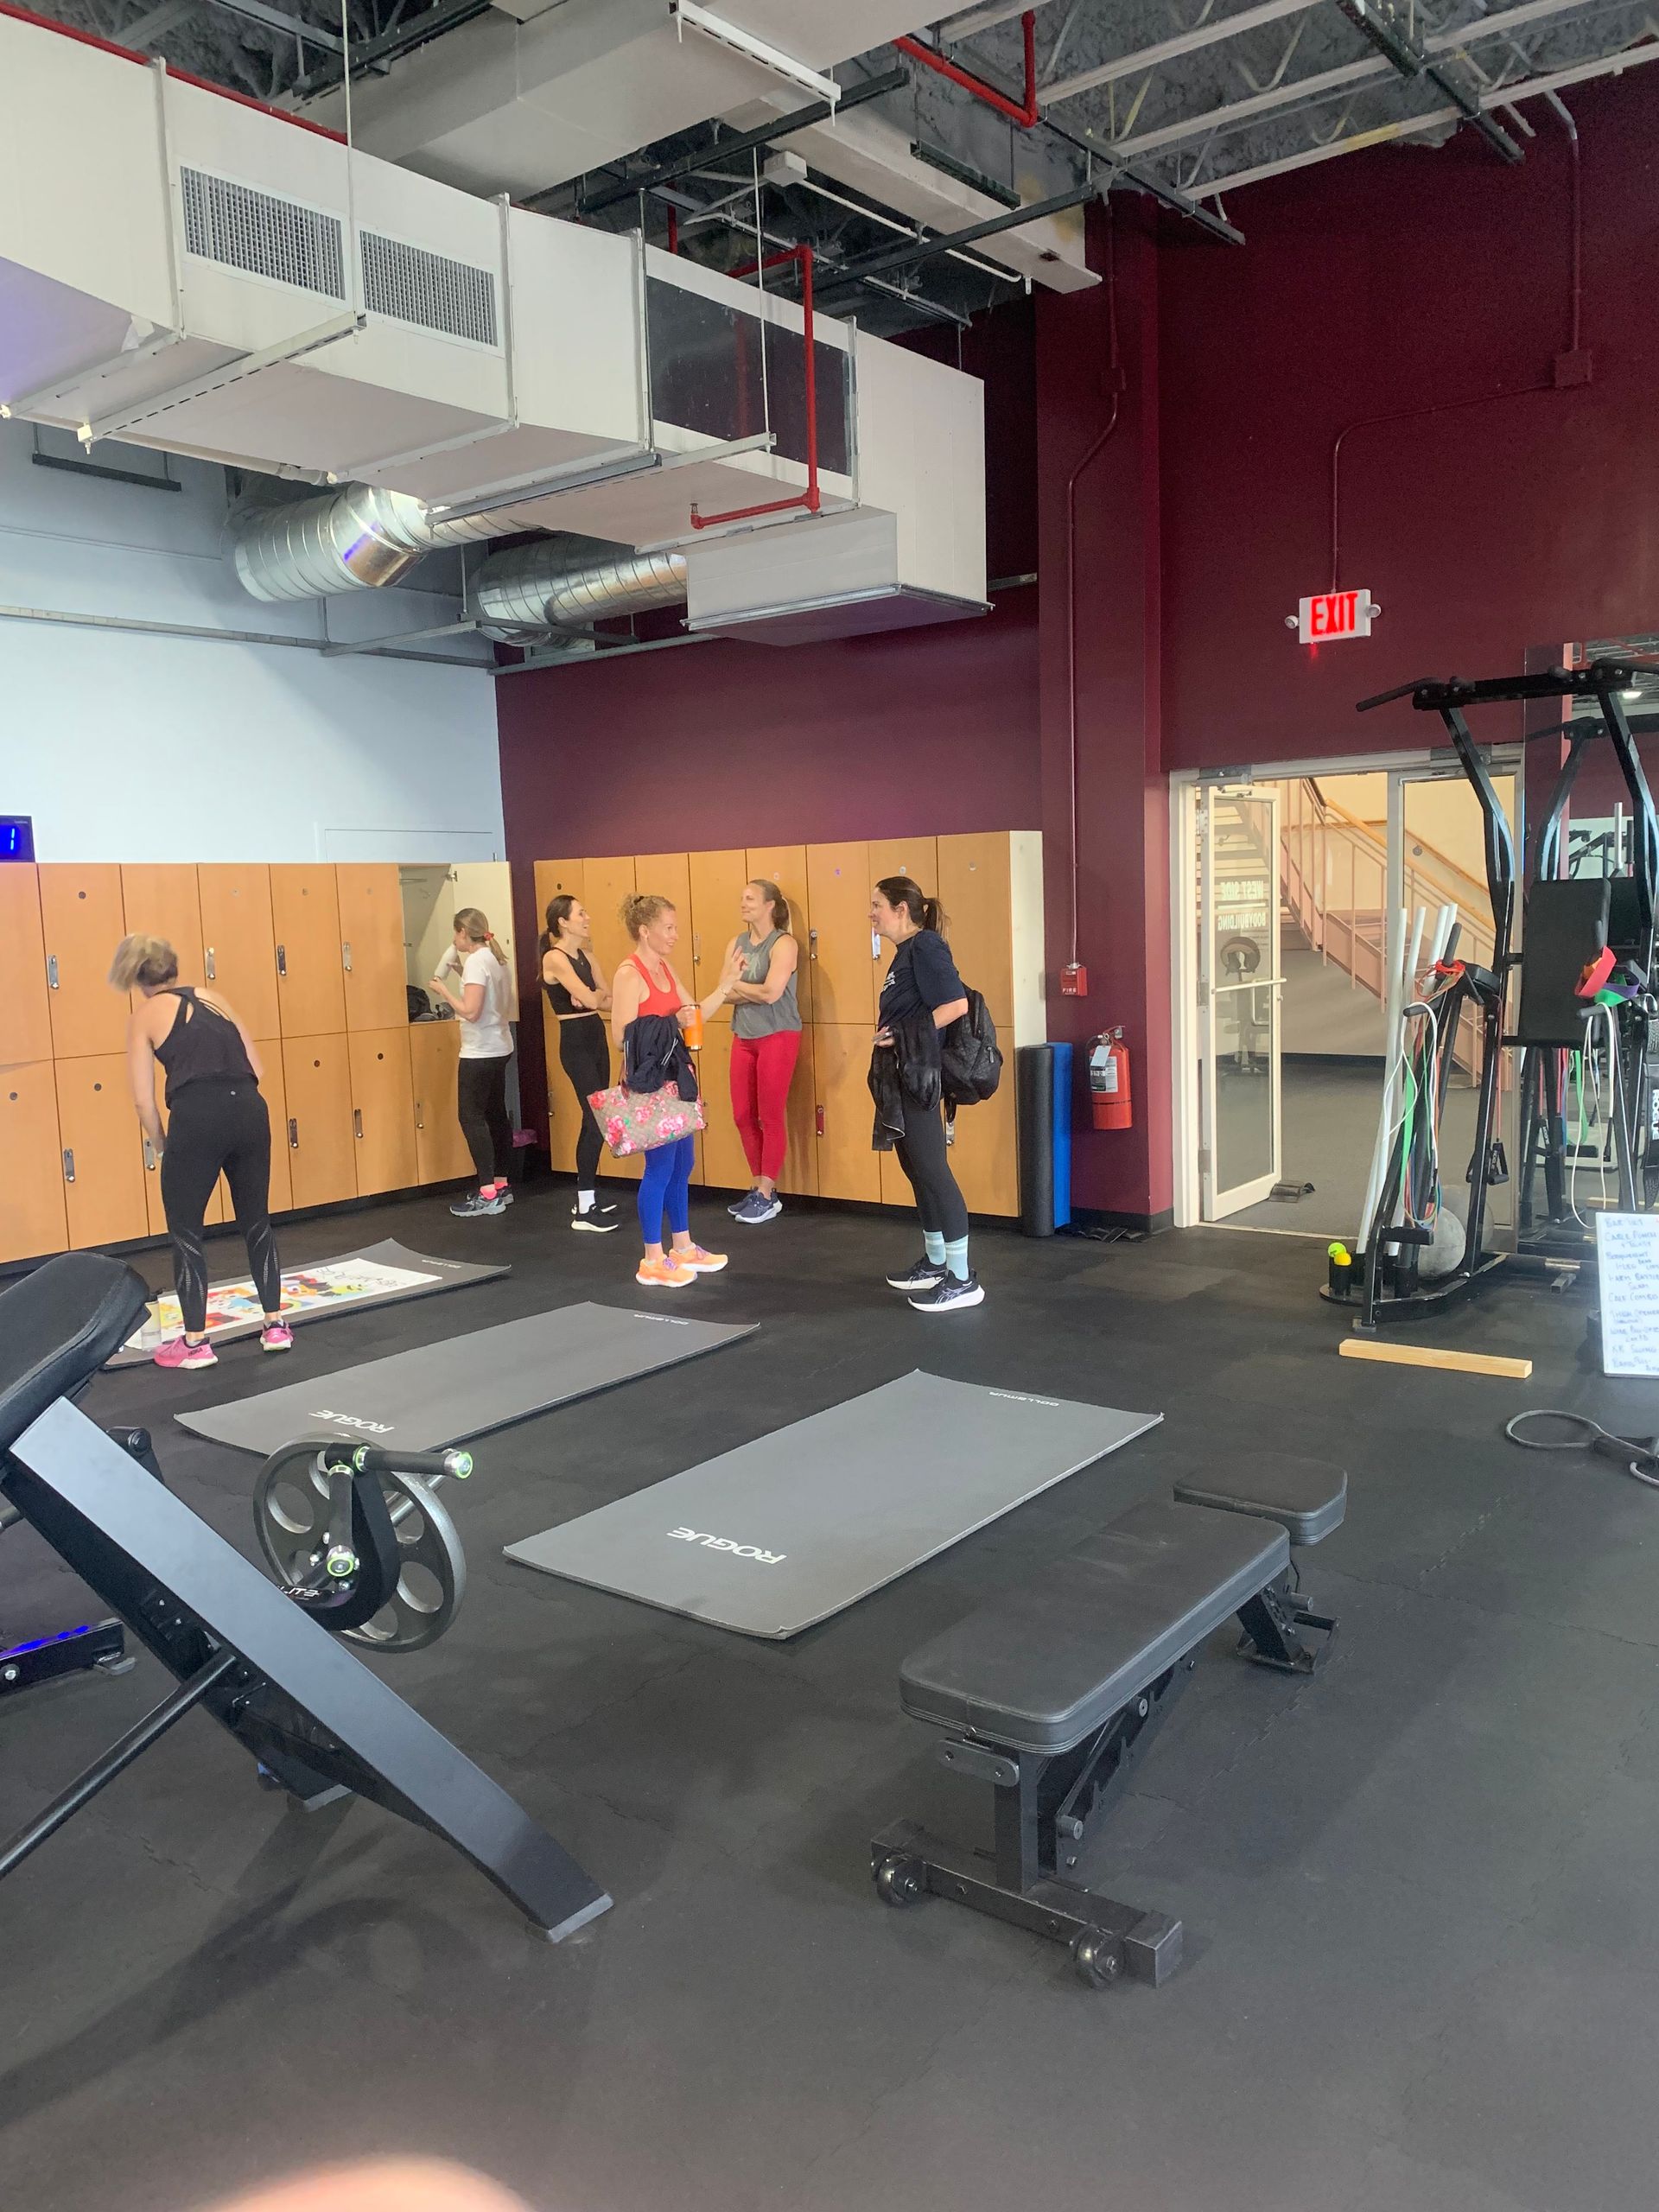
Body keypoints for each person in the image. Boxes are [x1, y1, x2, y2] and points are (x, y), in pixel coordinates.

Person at [111, 933, 292, 1370]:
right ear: (174, 969)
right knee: (256, 1220)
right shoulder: (214, 998)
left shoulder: (144, 1016)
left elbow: (142, 1099)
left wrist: (164, 1145)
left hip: (197, 1114)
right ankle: (274, 1325)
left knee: (187, 1230)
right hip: (249, 1109)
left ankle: (195, 1343)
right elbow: (258, 1067)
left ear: (137, 978)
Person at [610, 893, 740, 1288]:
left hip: (675, 1080)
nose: (675, 935)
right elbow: (621, 1038)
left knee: (683, 1165)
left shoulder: (665, 967)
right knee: (660, 1167)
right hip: (649, 1084)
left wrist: (726, 985)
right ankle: (652, 1257)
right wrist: (671, 1021)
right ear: (645, 931)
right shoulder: (629, 974)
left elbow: (693, 1014)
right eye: (668, 928)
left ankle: (682, 1246)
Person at [869, 876, 982, 1312]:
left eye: (876, 904)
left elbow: (955, 1006)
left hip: (920, 1076)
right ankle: (936, 1263)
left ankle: (961, 1278)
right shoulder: (904, 954)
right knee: (916, 1170)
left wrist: (901, 1034)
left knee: (934, 1172)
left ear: (901, 910)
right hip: (900, 1075)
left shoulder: (927, 947)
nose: (871, 913)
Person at [722, 878, 802, 1224]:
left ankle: (768, 1193)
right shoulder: (736, 943)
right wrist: (739, 988)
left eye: (751, 898)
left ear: (770, 905)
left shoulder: (784, 944)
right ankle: (757, 1188)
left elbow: (772, 993)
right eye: (742, 898)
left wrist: (737, 986)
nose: (743, 903)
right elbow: (723, 992)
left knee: (770, 1115)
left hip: (778, 1035)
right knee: (742, 1115)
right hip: (744, 1035)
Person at [541, 894, 620, 1233]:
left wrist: (594, 997)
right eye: (581, 913)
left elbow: (609, 999)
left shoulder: (588, 956)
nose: (587, 918)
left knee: (600, 1118)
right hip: (574, 1040)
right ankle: (584, 1208)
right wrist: (592, 996)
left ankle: (587, 1196)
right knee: (594, 1115)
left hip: (595, 1035)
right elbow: (592, 998)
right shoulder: (554, 957)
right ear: (563, 921)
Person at [430, 907, 515, 1219]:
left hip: (480, 1052)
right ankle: (501, 1185)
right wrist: (458, 973)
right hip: (499, 1046)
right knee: (495, 1114)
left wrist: (444, 991)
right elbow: (488, 998)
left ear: (464, 933)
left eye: (456, 934)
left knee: (471, 1117)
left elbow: (471, 1011)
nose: (454, 940)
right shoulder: (493, 958)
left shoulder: (478, 962)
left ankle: (486, 1192)